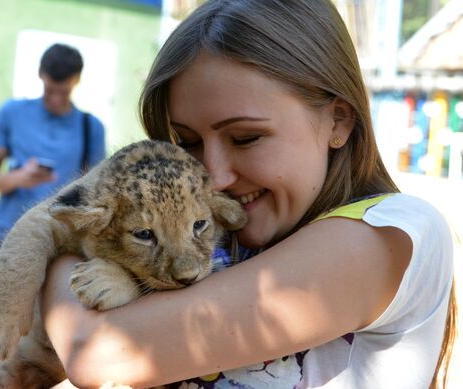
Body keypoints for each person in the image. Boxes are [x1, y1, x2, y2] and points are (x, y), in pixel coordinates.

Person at [40, 1, 456, 388]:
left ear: (339, 122)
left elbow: (94, 350)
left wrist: (59, 247)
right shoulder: (212, 241)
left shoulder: (390, 231)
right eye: (187, 143)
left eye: (245, 137)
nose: (213, 176)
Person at [0, 42, 106, 371]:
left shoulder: (90, 127)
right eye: (49, 89)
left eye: (64, 89)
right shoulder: (11, 113)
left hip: (57, 250)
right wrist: (19, 178)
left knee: (36, 352)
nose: (56, 97)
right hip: (6, 242)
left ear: (77, 81)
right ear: (40, 76)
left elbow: (98, 195)